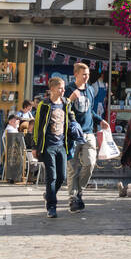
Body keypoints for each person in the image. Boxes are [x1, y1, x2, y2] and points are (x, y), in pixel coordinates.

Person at [31, 77, 73, 218]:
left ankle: (49, 194)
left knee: (62, 176)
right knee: (52, 176)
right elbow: (37, 126)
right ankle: (51, 206)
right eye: (61, 88)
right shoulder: (44, 105)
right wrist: (35, 146)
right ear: (53, 89)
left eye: (64, 88)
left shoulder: (66, 103)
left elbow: (70, 119)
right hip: (48, 146)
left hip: (62, 145)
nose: (63, 90)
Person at [65, 62, 103, 213]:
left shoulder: (90, 90)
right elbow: (61, 110)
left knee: (90, 163)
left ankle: (79, 190)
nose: (87, 77)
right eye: (84, 74)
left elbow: (90, 111)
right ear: (76, 74)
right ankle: (73, 198)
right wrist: (70, 99)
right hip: (72, 134)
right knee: (72, 168)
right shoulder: (68, 89)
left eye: (88, 74)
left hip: (88, 133)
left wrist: (100, 120)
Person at [1, 113, 26, 184]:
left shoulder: (13, 129)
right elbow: (18, 142)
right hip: (12, 153)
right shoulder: (10, 130)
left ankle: (26, 176)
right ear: (10, 122)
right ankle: (21, 177)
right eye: (16, 121)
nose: (18, 123)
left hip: (12, 152)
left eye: (18, 121)